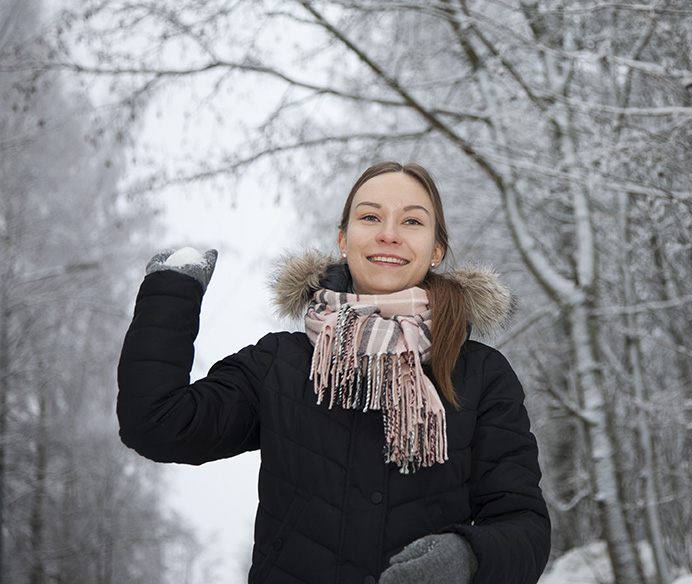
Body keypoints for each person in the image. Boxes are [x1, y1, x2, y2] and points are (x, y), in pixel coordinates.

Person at [117, 161, 551, 584]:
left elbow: (524, 527)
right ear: (343, 239)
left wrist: (468, 558)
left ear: (436, 251)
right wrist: (170, 291)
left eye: (412, 222)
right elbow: (159, 424)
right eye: (370, 216)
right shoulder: (280, 363)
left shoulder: (481, 374)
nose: (389, 233)